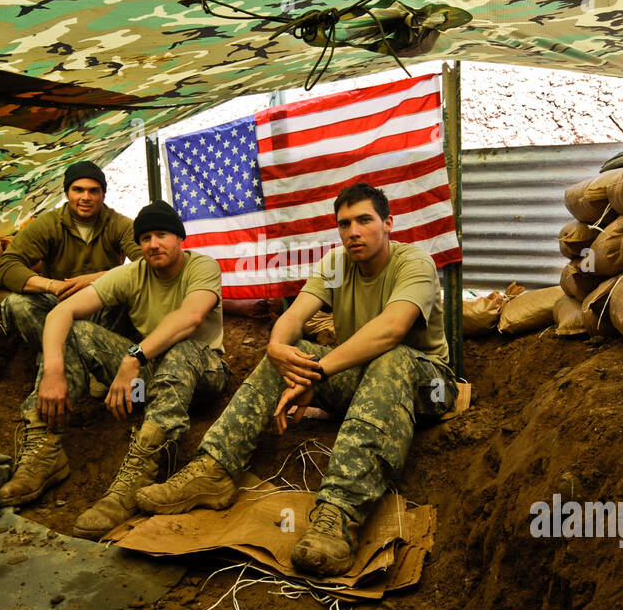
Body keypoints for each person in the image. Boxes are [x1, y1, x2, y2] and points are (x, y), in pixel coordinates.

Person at [136, 182, 457, 577]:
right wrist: (277, 348)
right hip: (360, 380)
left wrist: (317, 373)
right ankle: (214, 469)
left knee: (390, 356)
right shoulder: (338, 264)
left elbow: (391, 329)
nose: (353, 231)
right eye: (344, 224)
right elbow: (295, 316)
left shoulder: (413, 263)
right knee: (289, 354)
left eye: (364, 221)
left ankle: (339, 513)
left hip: (426, 384)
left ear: (388, 223)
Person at [2, 201, 229, 544]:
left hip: (202, 375)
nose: (154, 244)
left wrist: (134, 356)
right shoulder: (131, 273)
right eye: (146, 237)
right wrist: (53, 370)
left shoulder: (202, 267)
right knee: (73, 330)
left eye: (163, 235)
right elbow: (62, 313)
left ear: (180, 238)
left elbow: (190, 319)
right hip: (151, 378)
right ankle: (45, 448)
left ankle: (144, 467)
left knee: (181, 348)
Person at [0, 160, 141, 344]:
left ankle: (84, 350)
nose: (85, 197)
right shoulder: (48, 224)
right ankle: (68, 349)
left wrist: (98, 279)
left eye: (93, 191)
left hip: (105, 304)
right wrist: (51, 286)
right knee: (17, 304)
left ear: (103, 195)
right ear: (66, 193)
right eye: (78, 190)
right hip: (59, 303)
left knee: (129, 294)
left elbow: (146, 265)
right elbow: (7, 265)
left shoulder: (121, 225)